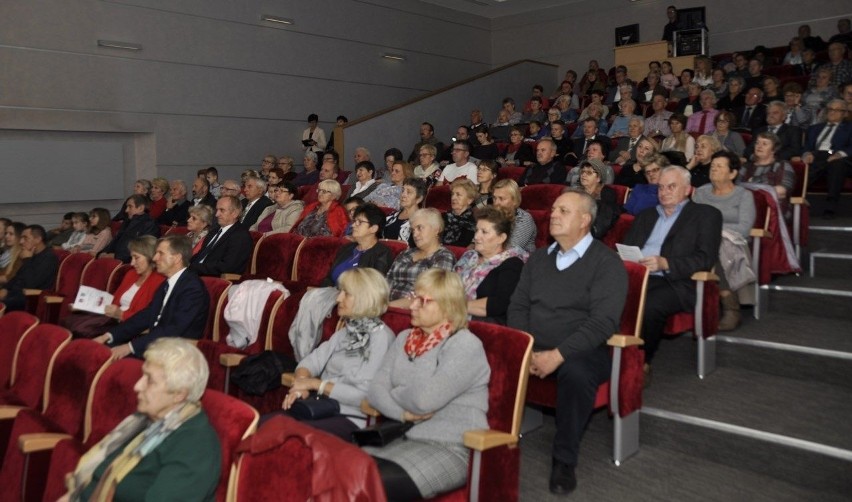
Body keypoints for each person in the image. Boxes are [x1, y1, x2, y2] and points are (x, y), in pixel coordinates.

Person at [507, 190, 627, 496]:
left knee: (576, 372)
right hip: (534, 344)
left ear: (585, 220)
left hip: (583, 349)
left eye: (564, 210)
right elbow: (518, 306)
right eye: (554, 209)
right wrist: (527, 348)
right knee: (487, 345)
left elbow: (603, 323)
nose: (553, 215)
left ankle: (564, 460)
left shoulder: (606, 263)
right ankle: (487, 441)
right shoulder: (538, 258)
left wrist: (557, 355)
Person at [365, 269, 490, 501]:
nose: (412, 306)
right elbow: (374, 391)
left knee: (370, 483)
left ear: (448, 306)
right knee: (344, 468)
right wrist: (403, 413)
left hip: (450, 448)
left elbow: (424, 401)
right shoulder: (405, 338)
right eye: (414, 297)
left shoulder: (465, 345)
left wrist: (395, 388)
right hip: (401, 434)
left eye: (422, 301)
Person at [60, 338, 220, 502]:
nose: (137, 386)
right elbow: (97, 474)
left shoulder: (195, 448)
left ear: (179, 394)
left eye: (150, 380)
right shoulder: (145, 421)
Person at [276, 268, 395, 440]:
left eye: (346, 293)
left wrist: (315, 385)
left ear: (364, 298)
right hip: (321, 406)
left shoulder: (381, 338)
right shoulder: (347, 331)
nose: (338, 298)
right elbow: (310, 363)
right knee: (264, 425)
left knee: (288, 437)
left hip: (352, 417)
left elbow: (363, 394)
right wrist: (300, 386)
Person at [622, 166, 722, 369]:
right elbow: (628, 246)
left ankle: (639, 364)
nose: (664, 192)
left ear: (687, 189)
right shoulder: (646, 215)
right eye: (661, 187)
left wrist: (665, 263)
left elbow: (705, 259)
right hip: (639, 276)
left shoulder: (706, 215)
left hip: (678, 282)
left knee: (648, 305)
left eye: (671, 187)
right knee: (601, 295)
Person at [94, 235, 209, 359]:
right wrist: (109, 335)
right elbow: (146, 316)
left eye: (160, 253)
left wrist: (129, 347)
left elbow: (173, 330)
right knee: (100, 350)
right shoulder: (168, 283)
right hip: (158, 343)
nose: (154, 258)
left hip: (176, 352)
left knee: (109, 358)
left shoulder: (192, 289)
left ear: (177, 258)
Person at [693, 151, 756, 331]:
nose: (714, 168)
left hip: (734, 243)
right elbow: (691, 220)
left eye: (719, 166)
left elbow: (744, 228)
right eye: (713, 165)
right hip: (701, 239)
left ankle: (731, 307)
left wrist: (715, 230)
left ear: (732, 173)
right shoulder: (701, 193)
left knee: (716, 244)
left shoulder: (744, 195)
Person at [63, 236, 166, 338]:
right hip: (111, 318)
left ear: (150, 257)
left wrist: (120, 314)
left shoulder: (160, 281)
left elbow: (147, 318)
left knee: (81, 328)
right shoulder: (131, 274)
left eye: (136, 257)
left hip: (129, 326)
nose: (132, 263)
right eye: (131, 257)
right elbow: (113, 301)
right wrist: (84, 306)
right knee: (69, 321)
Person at [454, 207, 525, 325]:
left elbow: (498, 304)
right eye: (476, 230)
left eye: (484, 232)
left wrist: (453, 307)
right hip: (450, 316)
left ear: (501, 238)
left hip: (481, 325)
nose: (476, 236)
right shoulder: (469, 256)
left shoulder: (512, 264)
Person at [386, 208, 455, 306]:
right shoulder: (406, 253)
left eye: (420, 228)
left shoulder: (443, 257)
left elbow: (428, 296)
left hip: (412, 313)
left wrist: (388, 307)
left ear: (436, 229)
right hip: (387, 308)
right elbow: (387, 282)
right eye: (413, 230)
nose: (415, 234)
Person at [802, 99, 852, 218]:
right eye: (830, 109)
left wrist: (839, 154)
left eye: (837, 110)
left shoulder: (850, 128)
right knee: (813, 160)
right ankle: (797, 198)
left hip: (838, 158)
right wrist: (806, 154)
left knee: (836, 164)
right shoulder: (814, 128)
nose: (832, 112)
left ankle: (830, 205)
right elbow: (806, 147)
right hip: (816, 157)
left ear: (845, 113)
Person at [190, 196, 254, 277]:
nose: (217, 214)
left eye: (222, 210)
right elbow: (200, 255)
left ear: (235, 213)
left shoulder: (241, 236)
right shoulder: (213, 232)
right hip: (196, 274)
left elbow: (227, 267)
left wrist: (193, 267)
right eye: (217, 210)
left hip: (213, 279)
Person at [0, 225, 59, 311]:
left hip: (28, 299)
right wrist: (5, 288)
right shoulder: (32, 255)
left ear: (38, 239)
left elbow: (31, 284)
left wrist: (27, 260)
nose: (21, 241)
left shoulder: (49, 258)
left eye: (25, 238)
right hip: (13, 294)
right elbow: (17, 277)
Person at [741, 132, 797, 221]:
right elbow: (735, 188)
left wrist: (754, 181)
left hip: (773, 208)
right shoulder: (746, 166)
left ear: (773, 150)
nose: (759, 146)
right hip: (744, 207)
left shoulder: (782, 165)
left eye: (764, 144)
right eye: (757, 143)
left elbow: (782, 191)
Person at [100, 195, 160, 263]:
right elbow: (115, 240)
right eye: (126, 207)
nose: (126, 210)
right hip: (117, 259)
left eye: (130, 206)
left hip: (130, 263)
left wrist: (116, 256)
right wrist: (103, 252)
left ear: (140, 208)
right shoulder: (127, 221)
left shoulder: (150, 224)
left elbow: (144, 250)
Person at [578, 161, 621, 239]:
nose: (583, 174)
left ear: (598, 178)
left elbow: (604, 219)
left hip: (592, 234)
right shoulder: (576, 191)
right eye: (583, 171)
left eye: (589, 172)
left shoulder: (606, 193)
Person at [492, 179, 536, 253]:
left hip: (518, 261)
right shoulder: (492, 216)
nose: (496, 203)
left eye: (501, 198)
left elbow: (510, 250)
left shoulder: (524, 218)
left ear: (514, 200)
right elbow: (477, 241)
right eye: (494, 198)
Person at [384, 177, 425, 246]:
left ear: (419, 199)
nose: (403, 195)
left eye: (409, 192)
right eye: (403, 190)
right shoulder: (391, 216)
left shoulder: (422, 221)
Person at [442, 178, 477, 247]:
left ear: (469, 200)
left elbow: (462, 246)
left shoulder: (472, 222)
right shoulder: (442, 217)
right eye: (452, 194)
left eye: (458, 195)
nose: (453, 198)